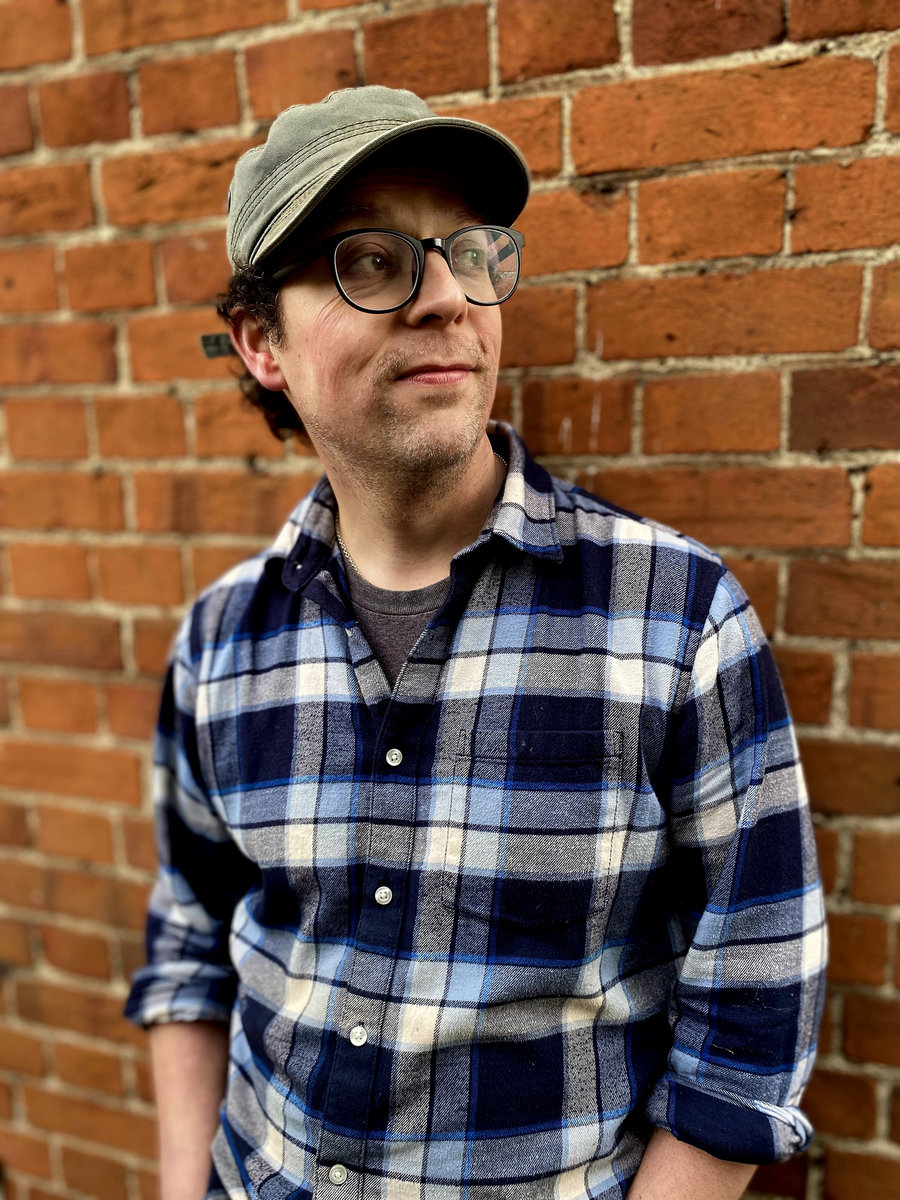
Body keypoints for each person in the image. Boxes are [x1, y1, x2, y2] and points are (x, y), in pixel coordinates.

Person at [126, 86, 827, 1200]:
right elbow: (189, 947)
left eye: (467, 253)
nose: (449, 296)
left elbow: (755, 1008)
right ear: (263, 343)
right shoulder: (223, 640)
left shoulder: (673, 618)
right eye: (373, 261)